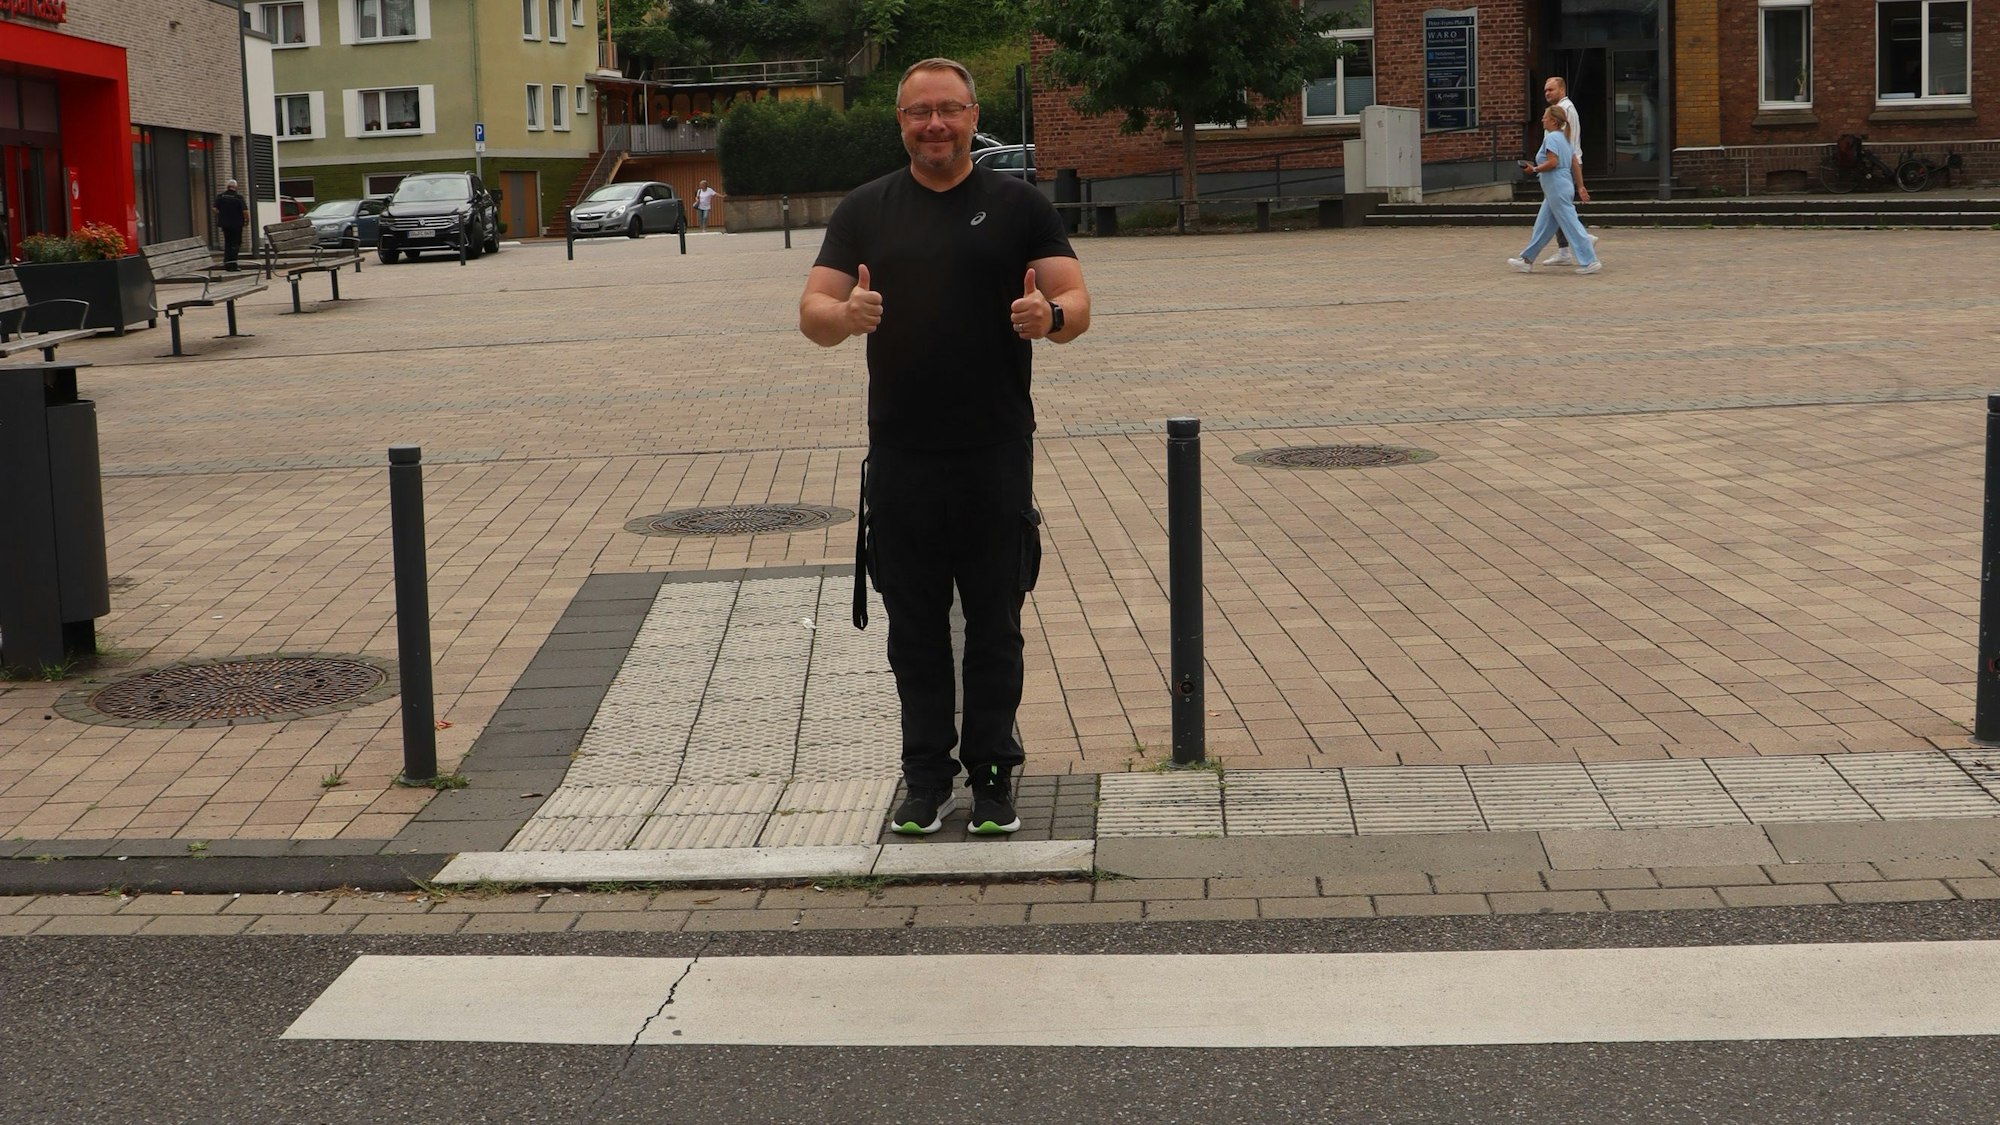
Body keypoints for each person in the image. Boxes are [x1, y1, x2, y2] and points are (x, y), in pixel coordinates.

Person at [799, 57, 1091, 837]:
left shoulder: (1019, 204)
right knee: (916, 630)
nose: (934, 124)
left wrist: (1049, 319)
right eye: (918, 112)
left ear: (972, 115)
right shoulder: (866, 210)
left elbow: (1076, 297)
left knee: (995, 623)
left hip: (994, 453)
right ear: (901, 123)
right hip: (902, 458)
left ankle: (993, 775)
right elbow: (812, 311)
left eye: (948, 110)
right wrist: (846, 314)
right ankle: (925, 776)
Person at [1509, 104, 1600, 275]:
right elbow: (1574, 163)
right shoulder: (1566, 138)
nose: (1542, 119)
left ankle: (1589, 261)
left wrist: (1534, 169)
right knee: (1542, 225)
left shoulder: (1551, 138)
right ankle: (1527, 260)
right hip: (1560, 186)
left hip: (1556, 186)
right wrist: (1580, 186)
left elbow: (1553, 162)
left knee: (1570, 223)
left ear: (1552, 120)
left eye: (1545, 117)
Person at [1539, 77, 1596, 266]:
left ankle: (1580, 240)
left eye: (1551, 90)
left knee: (1561, 208)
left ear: (1562, 90)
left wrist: (1576, 178)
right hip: (1563, 167)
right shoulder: (1561, 109)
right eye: (1546, 90)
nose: (1547, 93)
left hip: (1563, 168)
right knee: (1557, 209)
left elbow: (1568, 146)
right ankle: (1565, 248)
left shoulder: (1564, 111)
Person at [213, 179, 248, 270]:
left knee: (227, 243)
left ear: (227, 186)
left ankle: (227, 263)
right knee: (236, 244)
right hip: (237, 224)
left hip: (225, 224)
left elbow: (214, 209)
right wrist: (247, 220)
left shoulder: (221, 196)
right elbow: (245, 211)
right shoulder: (238, 197)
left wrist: (222, 214)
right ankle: (233, 265)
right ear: (236, 187)